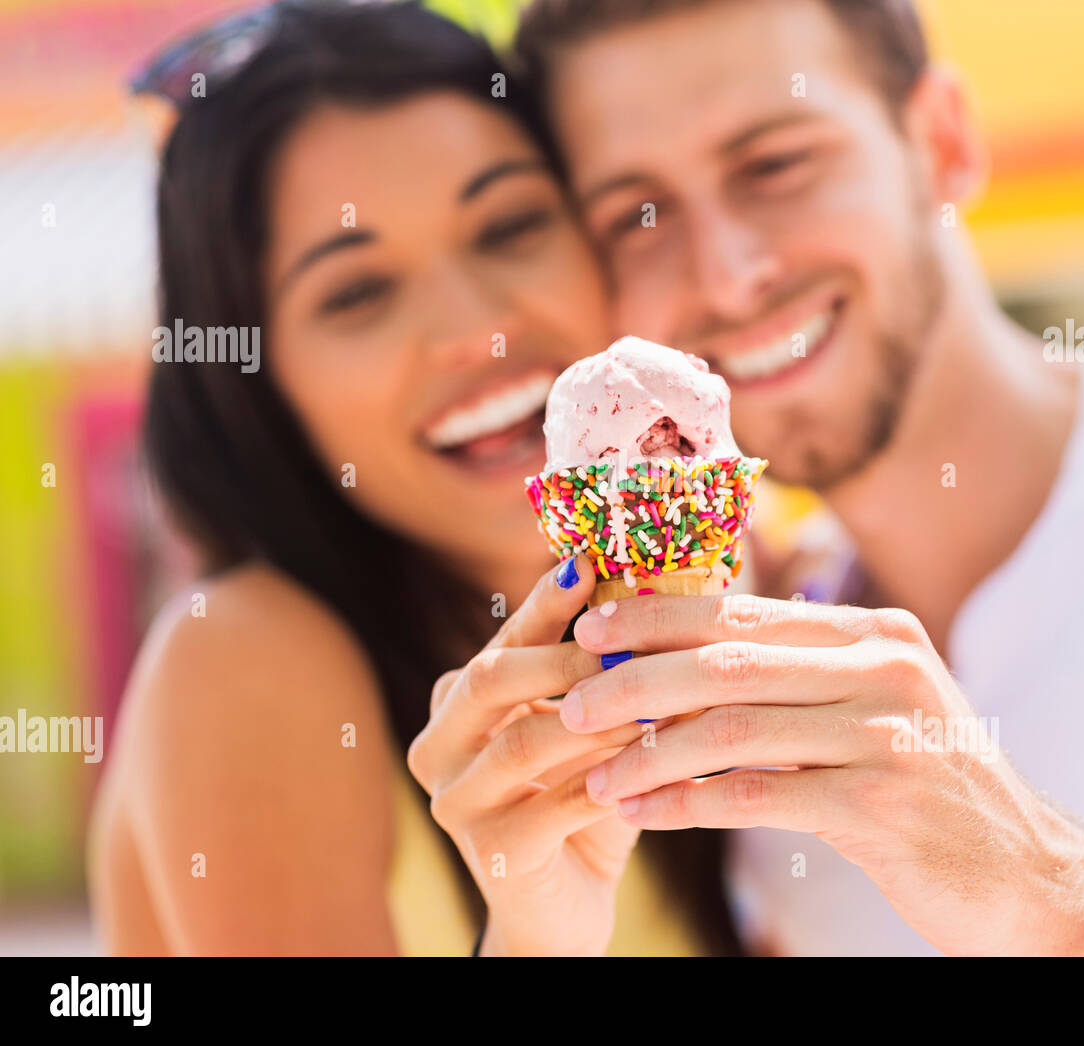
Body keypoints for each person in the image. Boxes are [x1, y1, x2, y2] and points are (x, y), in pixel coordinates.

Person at [510, 0, 1084, 954]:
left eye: (775, 164)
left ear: (942, 143)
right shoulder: (737, 707)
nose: (726, 275)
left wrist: (1045, 889)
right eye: (636, 216)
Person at [87, 0, 742, 957]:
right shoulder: (242, 656)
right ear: (258, 386)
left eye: (509, 226)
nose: (476, 330)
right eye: (357, 291)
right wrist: (534, 938)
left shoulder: (736, 590)